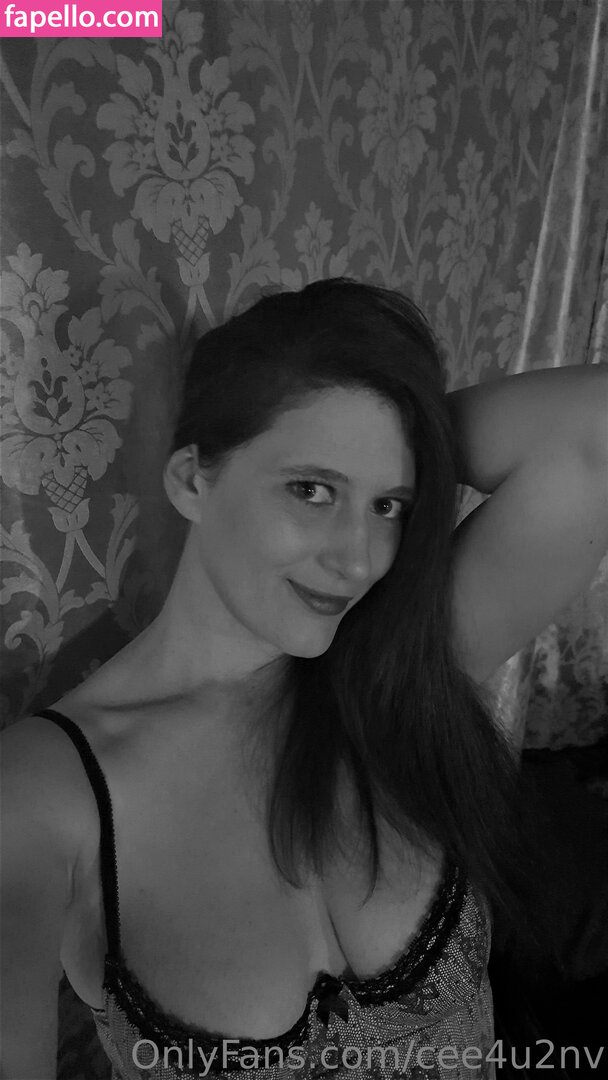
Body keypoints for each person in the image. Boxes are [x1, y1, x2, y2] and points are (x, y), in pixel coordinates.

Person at [1, 278, 607, 1080]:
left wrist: (406, 442)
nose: (357, 559)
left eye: (389, 506)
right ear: (192, 480)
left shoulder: (390, 673)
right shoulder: (47, 794)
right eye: (311, 490)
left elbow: (594, 429)